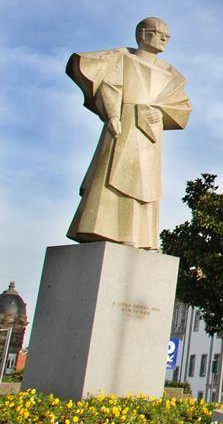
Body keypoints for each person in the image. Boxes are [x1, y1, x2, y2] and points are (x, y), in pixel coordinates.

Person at [66, 17, 191, 250]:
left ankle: (139, 237)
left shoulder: (171, 74)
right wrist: (113, 114)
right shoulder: (123, 58)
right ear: (143, 35)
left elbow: (182, 107)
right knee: (114, 173)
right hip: (125, 124)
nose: (165, 38)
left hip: (150, 136)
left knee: (145, 184)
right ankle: (103, 229)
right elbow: (109, 86)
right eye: (159, 33)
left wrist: (161, 113)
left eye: (167, 35)